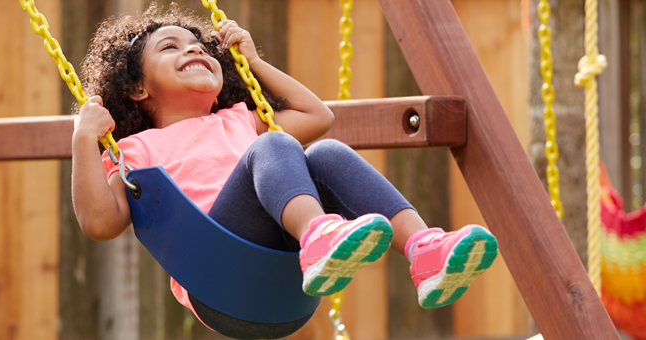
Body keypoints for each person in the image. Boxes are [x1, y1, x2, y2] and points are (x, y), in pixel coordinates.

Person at [70, 4, 498, 339]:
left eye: (200, 45)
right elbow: (100, 223)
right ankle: (318, 237)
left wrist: (253, 61)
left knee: (325, 152)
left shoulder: (238, 119)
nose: (194, 49)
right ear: (137, 88)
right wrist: (83, 140)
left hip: (286, 285)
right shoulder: (136, 149)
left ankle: (425, 251)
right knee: (274, 143)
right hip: (218, 279)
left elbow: (318, 116)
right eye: (171, 47)